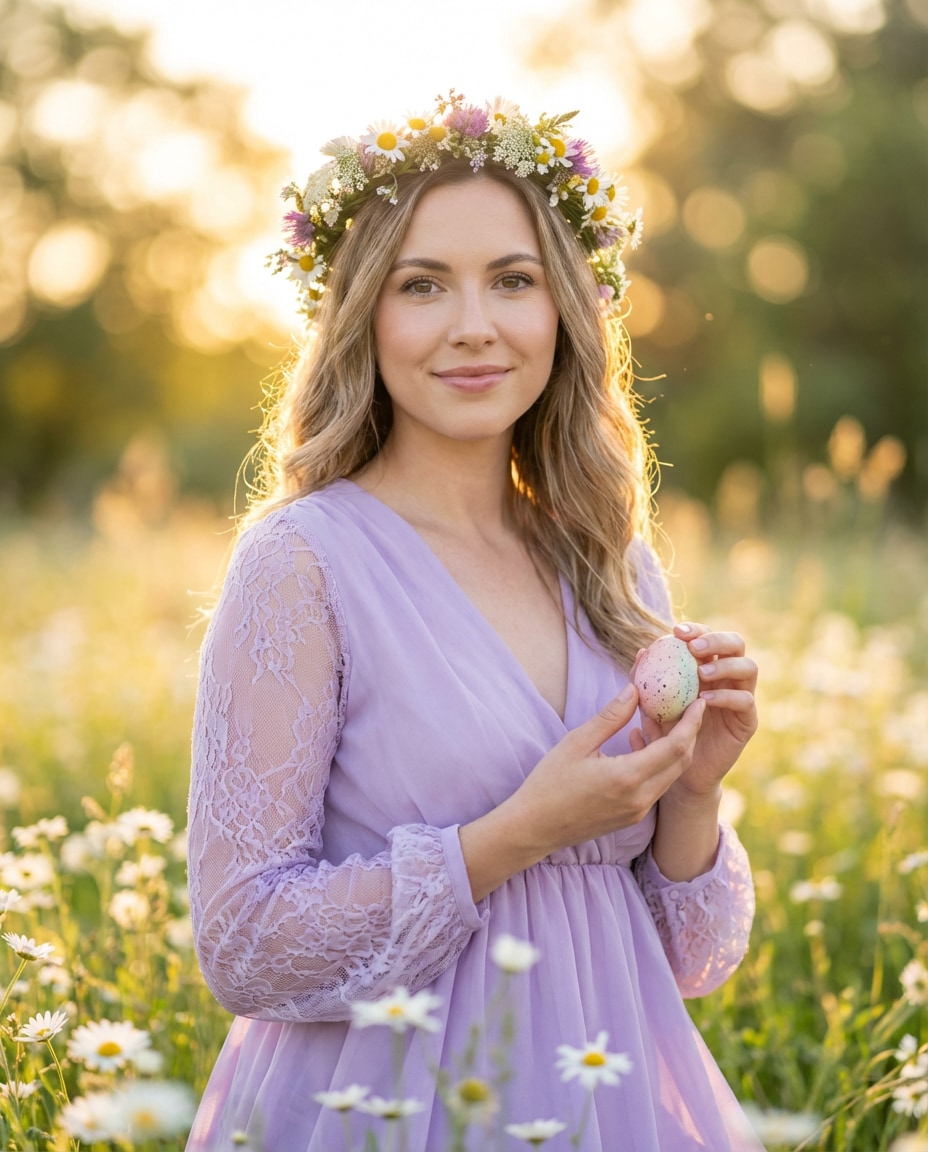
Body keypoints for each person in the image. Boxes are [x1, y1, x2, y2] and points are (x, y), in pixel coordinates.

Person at [186, 93, 762, 1152]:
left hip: (608, 1094)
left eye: (512, 279)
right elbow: (243, 944)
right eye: (421, 285)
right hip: (390, 1102)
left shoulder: (609, 560)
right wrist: (514, 836)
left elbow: (690, 962)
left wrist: (694, 793)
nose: (473, 325)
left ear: (563, 310)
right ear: (362, 313)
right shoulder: (304, 563)